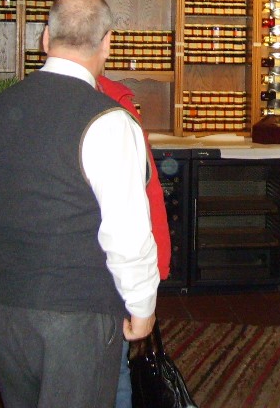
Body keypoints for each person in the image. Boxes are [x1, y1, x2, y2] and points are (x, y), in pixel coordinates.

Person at [0, 0, 159, 408]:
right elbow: (126, 235)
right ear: (108, 43)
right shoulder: (110, 121)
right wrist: (143, 305)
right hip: (76, 312)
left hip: (0, 303)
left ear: (45, 38)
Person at [97, 74, 171, 408]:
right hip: (100, 278)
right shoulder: (115, 112)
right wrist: (143, 299)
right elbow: (134, 213)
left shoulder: (12, 105)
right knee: (115, 377)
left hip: (23, 288)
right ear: (105, 48)